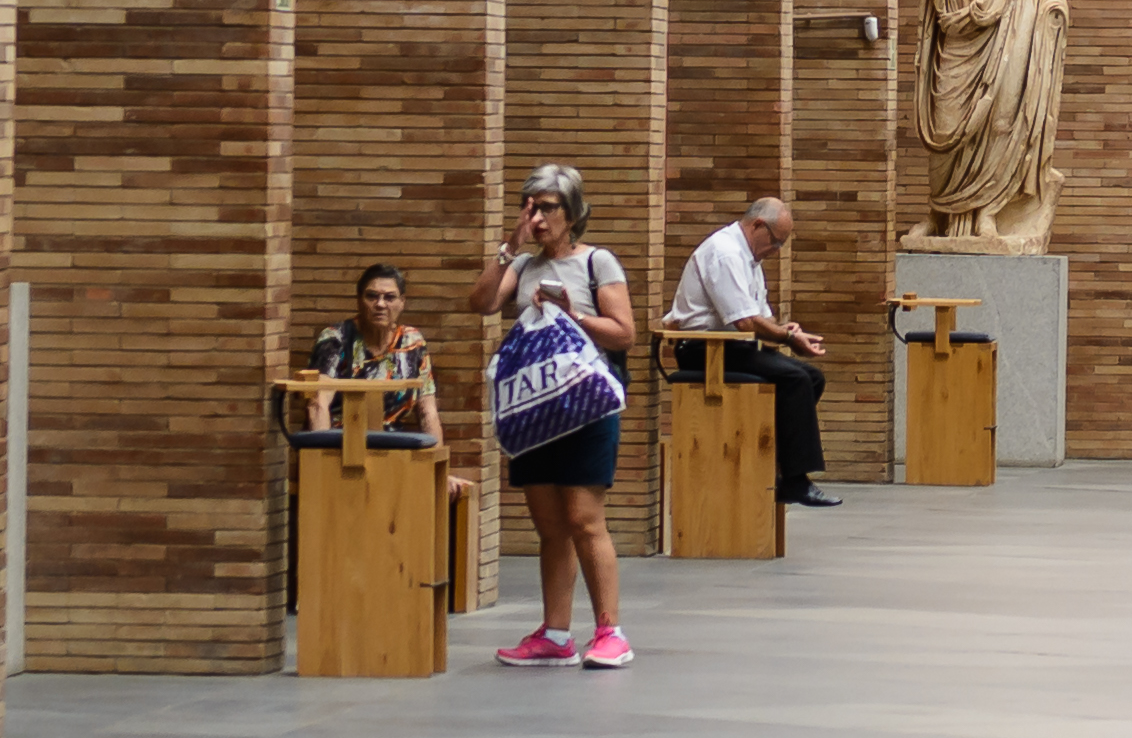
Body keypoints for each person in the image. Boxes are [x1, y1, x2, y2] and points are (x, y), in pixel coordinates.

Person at [471, 163, 637, 668]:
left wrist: (573, 314)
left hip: (585, 408)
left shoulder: (597, 263)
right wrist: (510, 246)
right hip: (535, 411)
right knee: (549, 526)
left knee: (584, 520)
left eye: (546, 208)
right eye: (529, 208)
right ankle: (556, 633)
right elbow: (481, 302)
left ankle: (610, 632)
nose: (537, 218)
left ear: (572, 212)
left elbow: (624, 333)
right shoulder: (522, 266)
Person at [664, 192, 838, 508]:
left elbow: (762, 318)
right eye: (776, 241)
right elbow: (745, 322)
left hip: (732, 346)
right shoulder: (726, 253)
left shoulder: (750, 258)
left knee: (812, 377)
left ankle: (773, 459)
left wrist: (787, 330)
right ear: (758, 225)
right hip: (703, 349)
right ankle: (796, 482)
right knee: (795, 380)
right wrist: (787, 338)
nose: (777, 249)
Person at [299, 262, 439, 448]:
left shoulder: (412, 342)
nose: (380, 304)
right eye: (372, 296)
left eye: (389, 297)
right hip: (340, 443)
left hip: (394, 446)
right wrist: (322, 457)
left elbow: (428, 411)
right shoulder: (336, 339)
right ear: (359, 300)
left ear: (402, 302)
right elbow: (318, 404)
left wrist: (436, 462)